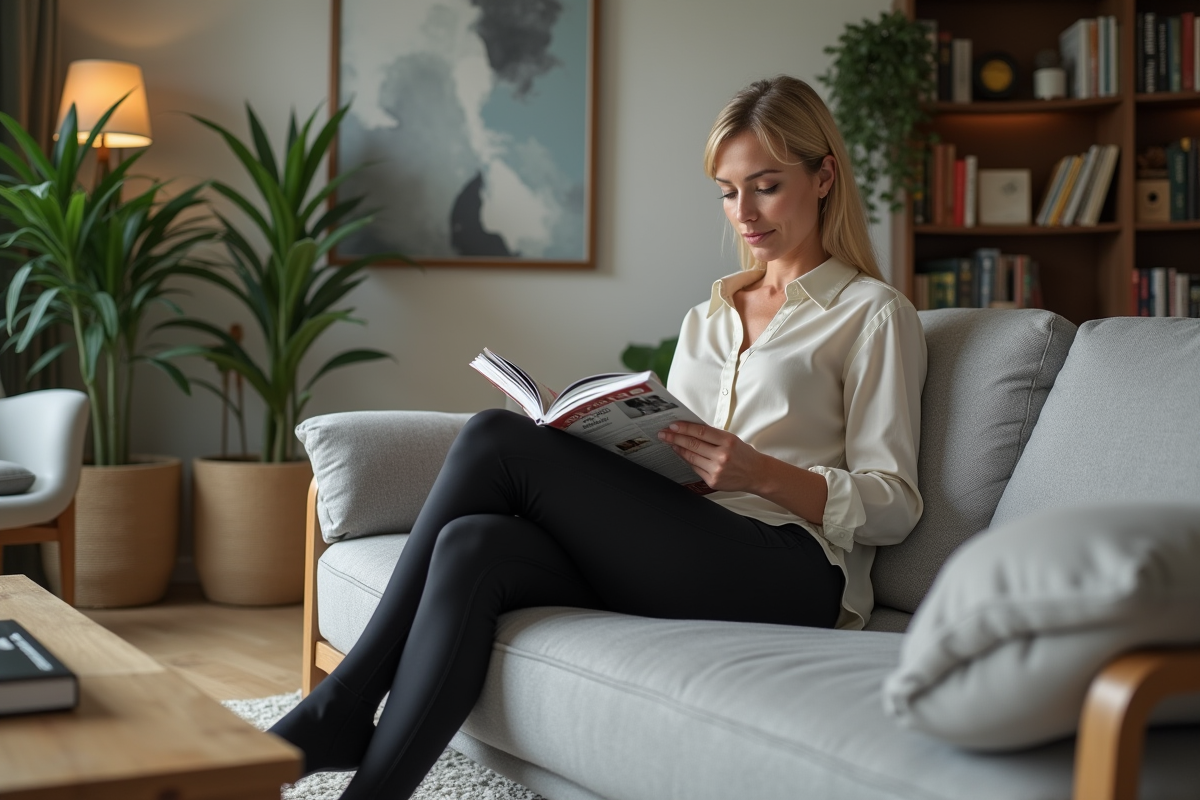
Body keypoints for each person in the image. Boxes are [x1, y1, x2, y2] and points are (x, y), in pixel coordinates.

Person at [268, 75, 927, 799]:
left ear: (824, 175)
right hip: (692, 542)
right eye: (728, 191)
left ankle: (342, 702)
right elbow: (676, 456)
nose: (745, 213)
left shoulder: (872, 314)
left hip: (791, 571)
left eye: (766, 186)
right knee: (472, 546)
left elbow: (895, 504)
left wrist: (759, 472)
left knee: (495, 438)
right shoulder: (709, 315)